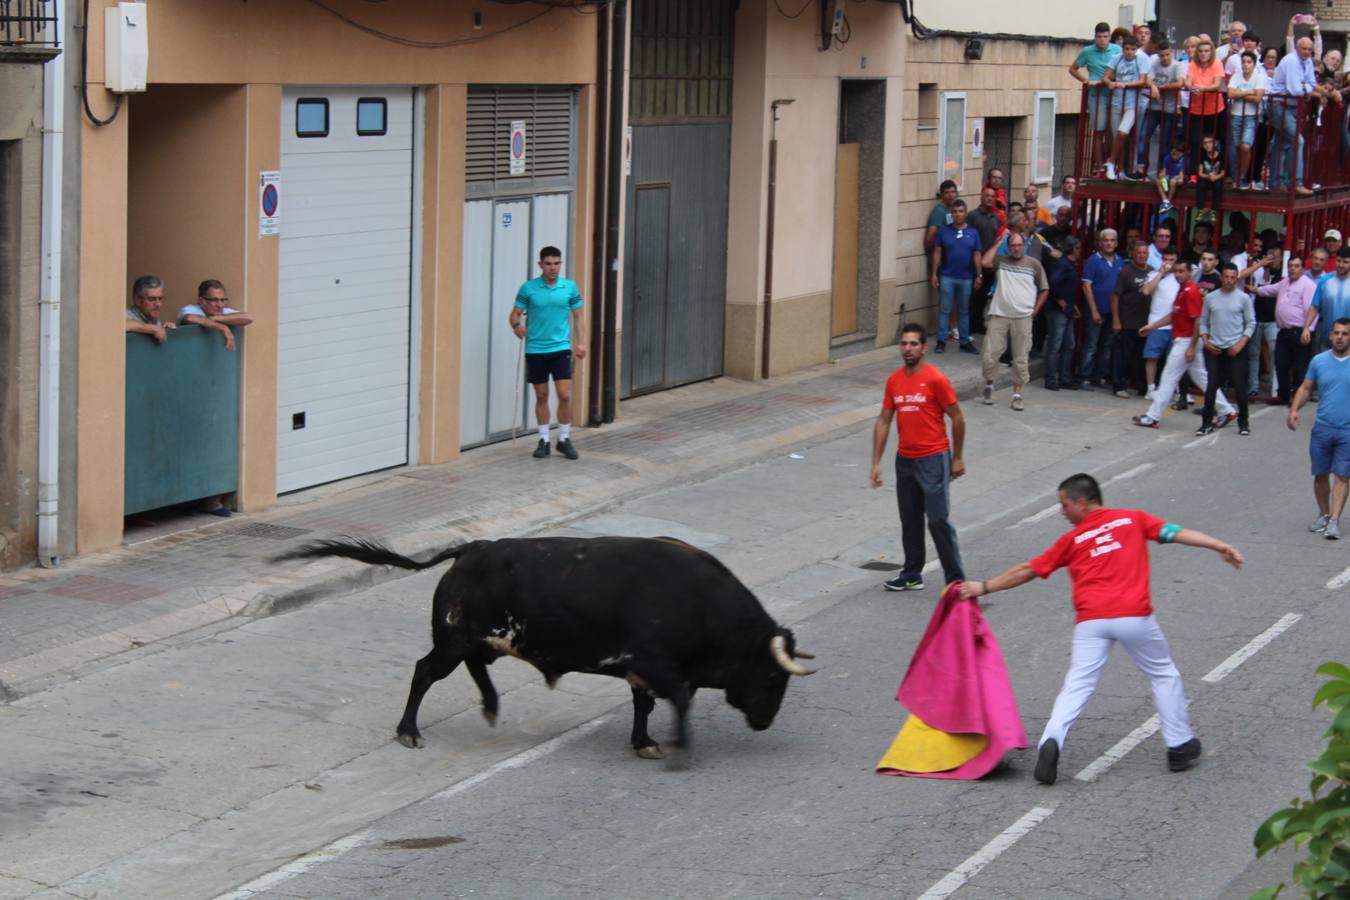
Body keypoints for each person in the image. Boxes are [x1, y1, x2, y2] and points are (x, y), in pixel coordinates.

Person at [958, 472, 1243, 785]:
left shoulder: (1073, 540)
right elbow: (1176, 532)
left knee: (1078, 683)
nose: (1062, 512)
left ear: (1082, 502)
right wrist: (1219, 545)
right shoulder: (1133, 519)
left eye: (1064, 505)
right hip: (1134, 616)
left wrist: (983, 587)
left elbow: (1028, 570)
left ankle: (1052, 739)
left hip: (1091, 621)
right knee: (1163, 675)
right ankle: (1179, 746)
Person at [870, 323, 966, 591]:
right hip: (906, 461)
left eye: (913, 344)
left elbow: (957, 417)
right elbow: (884, 421)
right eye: (904, 343)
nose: (908, 349)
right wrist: (876, 463)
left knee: (937, 520)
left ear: (924, 348)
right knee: (910, 520)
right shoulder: (894, 380)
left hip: (934, 459)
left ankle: (956, 581)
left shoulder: (936, 379)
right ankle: (912, 574)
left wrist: (957, 458)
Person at [1134, 259, 1237, 428]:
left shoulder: (1190, 292)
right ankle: (1227, 410)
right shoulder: (1183, 290)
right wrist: (1152, 326)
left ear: (1190, 272)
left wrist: (1190, 347)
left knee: (1168, 377)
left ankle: (1153, 416)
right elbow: (1173, 315)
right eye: (1176, 271)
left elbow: (1197, 321)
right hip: (1186, 341)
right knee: (1201, 378)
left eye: (1182, 271)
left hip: (1186, 341)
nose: (1178, 274)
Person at [510, 245, 586, 460]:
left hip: (561, 349)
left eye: (557, 263)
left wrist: (581, 343)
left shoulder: (569, 287)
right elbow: (514, 314)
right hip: (535, 350)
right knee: (541, 395)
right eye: (548, 264)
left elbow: (579, 316)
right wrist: (517, 327)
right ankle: (543, 440)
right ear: (540, 265)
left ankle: (564, 439)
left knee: (564, 394)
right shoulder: (528, 288)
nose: (553, 268)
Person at [1288, 317, 1350, 539]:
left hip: (1347, 431)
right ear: (1331, 335)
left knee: (1343, 475)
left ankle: (1334, 521)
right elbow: (1306, 388)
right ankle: (1324, 514)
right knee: (1320, 474)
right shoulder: (1319, 361)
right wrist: (1294, 410)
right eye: (1337, 333)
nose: (1340, 337)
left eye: (1345, 333)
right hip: (1323, 427)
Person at [980, 233, 1048, 411]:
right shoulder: (1001, 261)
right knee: (990, 354)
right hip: (999, 314)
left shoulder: (1033, 264)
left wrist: (1034, 311)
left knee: (1020, 358)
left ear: (1024, 246)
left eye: (1019, 245)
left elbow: (1044, 289)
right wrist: (999, 242)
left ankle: (1017, 395)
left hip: (1023, 317)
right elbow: (985, 262)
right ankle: (989, 386)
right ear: (1009, 247)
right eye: (1013, 245)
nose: (1016, 248)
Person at [1197, 262, 1256, 435]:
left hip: (1236, 348)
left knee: (1240, 387)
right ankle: (1206, 423)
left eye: (1233, 277)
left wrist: (1240, 345)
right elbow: (1203, 322)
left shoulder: (1243, 298)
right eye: (1226, 277)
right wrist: (1206, 341)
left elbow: (1251, 323)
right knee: (1211, 387)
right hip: (1215, 348)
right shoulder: (1210, 298)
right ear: (1221, 277)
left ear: (1236, 278)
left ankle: (1243, 423)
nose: (1229, 280)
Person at [1255, 253, 1318, 404]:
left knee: (1300, 367)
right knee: (1281, 364)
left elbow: (1313, 309)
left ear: (1303, 269)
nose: (1293, 269)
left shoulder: (1308, 285)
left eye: (1296, 266)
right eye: (1290, 266)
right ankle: (1283, 396)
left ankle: (1297, 397)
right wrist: (1254, 290)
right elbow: (1269, 290)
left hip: (1300, 332)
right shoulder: (1284, 283)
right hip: (1284, 331)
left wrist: (1308, 329)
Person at [1268, 38, 1323, 194]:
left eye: (1309, 49)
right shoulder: (1291, 61)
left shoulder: (1308, 61)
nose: (1306, 52)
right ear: (1297, 48)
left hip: (1291, 106)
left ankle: (1275, 184)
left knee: (1279, 144)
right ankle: (1295, 183)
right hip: (1279, 105)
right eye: (1304, 48)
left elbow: (1311, 82)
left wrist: (1304, 86)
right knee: (1297, 141)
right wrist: (1306, 88)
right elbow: (1294, 89)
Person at [930, 198, 983, 354]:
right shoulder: (944, 231)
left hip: (966, 277)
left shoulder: (973, 232)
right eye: (954, 211)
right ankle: (941, 341)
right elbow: (937, 253)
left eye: (961, 211)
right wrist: (934, 273)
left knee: (963, 310)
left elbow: (977, 255)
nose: (958, 214)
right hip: (947, 276)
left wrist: (979, 275)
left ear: (966, 213)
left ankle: (965, 341)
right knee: (945, 309)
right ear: (951, 214)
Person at [1071, 23, 1124, 176]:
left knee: (1113, 130)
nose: (1102, 40)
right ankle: (1100, 165)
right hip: (1096, 93)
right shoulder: (1087, 51)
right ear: (1095, 37)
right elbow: (1073, 68)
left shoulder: (1117, 49)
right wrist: (1085, 80)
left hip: (1113, 92)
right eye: (1099, 37)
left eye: (1105, 37)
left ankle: (1111, 163)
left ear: (1109, 37)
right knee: (1098, 129)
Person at [1110, 240, 1158, 398]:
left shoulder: (1152, 272)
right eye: (1139, 253)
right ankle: (1119, 386)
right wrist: (1116, 320)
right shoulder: (1126, 272)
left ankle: (1142, 387)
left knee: (1142, 357)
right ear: (1133, 254)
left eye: (1145, 253)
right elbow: (1115, 297)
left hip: (1145, 323)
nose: (1142, 256)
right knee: (1123, 356)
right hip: (1127, 321)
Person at [1081, 228, 1123, 389]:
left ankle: (1098, 376)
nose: (1109, 243)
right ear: (1100, 242)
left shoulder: (1120, 261)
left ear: (1117, 243)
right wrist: (1093, 310)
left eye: (1112, 240)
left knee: (1106, 346)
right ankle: (1085, 377)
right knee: (1092, 344)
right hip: (1096, 310)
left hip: (1112, 312)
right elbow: (1086, 285)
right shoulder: (1093, 260)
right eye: (1106, 240)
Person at [1105, 35, 1150, 180]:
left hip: (1132, 103)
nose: (1129, 52)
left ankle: (1111, 161)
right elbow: (1106, 77)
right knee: (1117, 137)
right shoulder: (1116, 58)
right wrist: (1110, 83)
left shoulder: (1142, 60)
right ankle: (1121, 170)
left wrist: (1125, 84)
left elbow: (1142, 80)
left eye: (1132, 49)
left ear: (1136, 50)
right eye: (1127, 49)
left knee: (1123, 132)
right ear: (1123, 49)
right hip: (1117, 101)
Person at [1140, 40, 1186, 176]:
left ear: (1171, 52)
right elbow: (1147, 79)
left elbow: (1179, 84)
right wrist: (1153, 86)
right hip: (1154, 107)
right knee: (1143, 136)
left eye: (1167, 55)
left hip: (1169, 109)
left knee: (1165, 141)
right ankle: (1141, 167)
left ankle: (1162, 170)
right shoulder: (1154, 64)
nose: (1165, 58)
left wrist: (1159, 87)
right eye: (1162, 55)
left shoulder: (1177, 65)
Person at [1185, 39, 1228, 176]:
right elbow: (1188, 81)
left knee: (1219, 140)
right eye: (1201, 51)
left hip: (1216, 109)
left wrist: (1201, 89)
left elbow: (1217, 85)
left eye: (1207, 51)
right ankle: (1193, 174)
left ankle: (1221, 172)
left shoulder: (1217, 63)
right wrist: (1191, 88)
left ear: (1211, 52)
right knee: (1195, 141)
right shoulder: (1193, 63)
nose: (1203, 54)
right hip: (1196, 109)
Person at [1044, 236, 1081, 391]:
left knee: (1068, 344)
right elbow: (1053, 282)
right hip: (1058, 310)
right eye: (1078, 248)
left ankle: (1064, 377)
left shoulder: (1069, 264)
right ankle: (1052, 379)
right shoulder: (1063, 265)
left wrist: (1072, 305)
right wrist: (1060, 299)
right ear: (1073, 249)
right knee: (1056, 344)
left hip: (1067, 309)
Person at [1140, 248, 1179, 397]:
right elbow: (1145, 291)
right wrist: (1161, 273)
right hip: (1156, 324)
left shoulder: (1181, 277)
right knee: (1152, 357)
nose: (1168, 263)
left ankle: (1174, 390)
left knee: (1174, 360)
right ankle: (1151, 389)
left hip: (1175, 325)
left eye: (1172, 260)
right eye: (1166, 259)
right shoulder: (1153, 274)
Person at [1226, 50, 1267, 187]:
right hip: (1236, 114)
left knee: (1245, 146)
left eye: (1249, 62)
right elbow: (1230, 94)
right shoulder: (1236, 76)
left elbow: (1258, 98)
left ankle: (1242, 176)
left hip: (1251, 115)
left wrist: (1240, 93)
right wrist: (1248, 91)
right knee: (1237, 147)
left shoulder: (1259, 77)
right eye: (1243, 62)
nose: (1245, 65)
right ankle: (1237, 175)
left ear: (1254, 64)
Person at [177, 279, 252, 352]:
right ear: (200, 301)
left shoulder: (221, 311)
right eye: (214, 300)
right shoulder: (191, 309)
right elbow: (190, 318)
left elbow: (248, 317)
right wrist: (223, 327)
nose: (220, 305)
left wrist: (214, 318)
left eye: (222, 300)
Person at [1308, 247, 1350, 348]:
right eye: (1339, 261)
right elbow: (1315, 307)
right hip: (1328, 338)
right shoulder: (1325, 280)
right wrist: (1306, 327)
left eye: (1345, 262)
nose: (1341, 265)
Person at [124, 274, 176, 344]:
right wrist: (153, 328)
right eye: (151, 299)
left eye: (160, 298)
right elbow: (122, 324)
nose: (158, 304)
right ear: (137, 300)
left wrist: (167, 330)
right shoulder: (127, 314)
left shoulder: (153, 317)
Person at [924, 180, 959, 256]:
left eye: (953, 192)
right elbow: (930, 236)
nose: (950, 195)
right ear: (942, 194)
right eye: (947, 192)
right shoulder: (939, 212)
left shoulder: (954, 209)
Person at [1195, 135, 1225, 218]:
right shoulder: (1202, 156)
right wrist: (1209, 176)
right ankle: (1200, 209)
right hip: (1206, 177)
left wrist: (1215, 177)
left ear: (1215, 143)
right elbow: (1200, 173)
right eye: (1205, 143)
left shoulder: (1221, 156)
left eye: (1210, 142)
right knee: (1200, 184)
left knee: (1218, 185)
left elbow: (1223, 172)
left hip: (1217, 178)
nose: (1207, 145)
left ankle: (1214, 210)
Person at [1155, 140, 1186, 212]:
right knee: (1158, 180)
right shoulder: (1167, 158)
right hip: (1169, 177)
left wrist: (1175, 181)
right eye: (1173, 154)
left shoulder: (1183, 161)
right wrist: (1161, 176)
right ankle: (1165, 201)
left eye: (1177, 154)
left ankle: (1168, 200)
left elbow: (1181, 179)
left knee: (1172, 181)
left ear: (1181, 154)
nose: (1174, 156)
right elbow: (1164, 172)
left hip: (1178, 178)